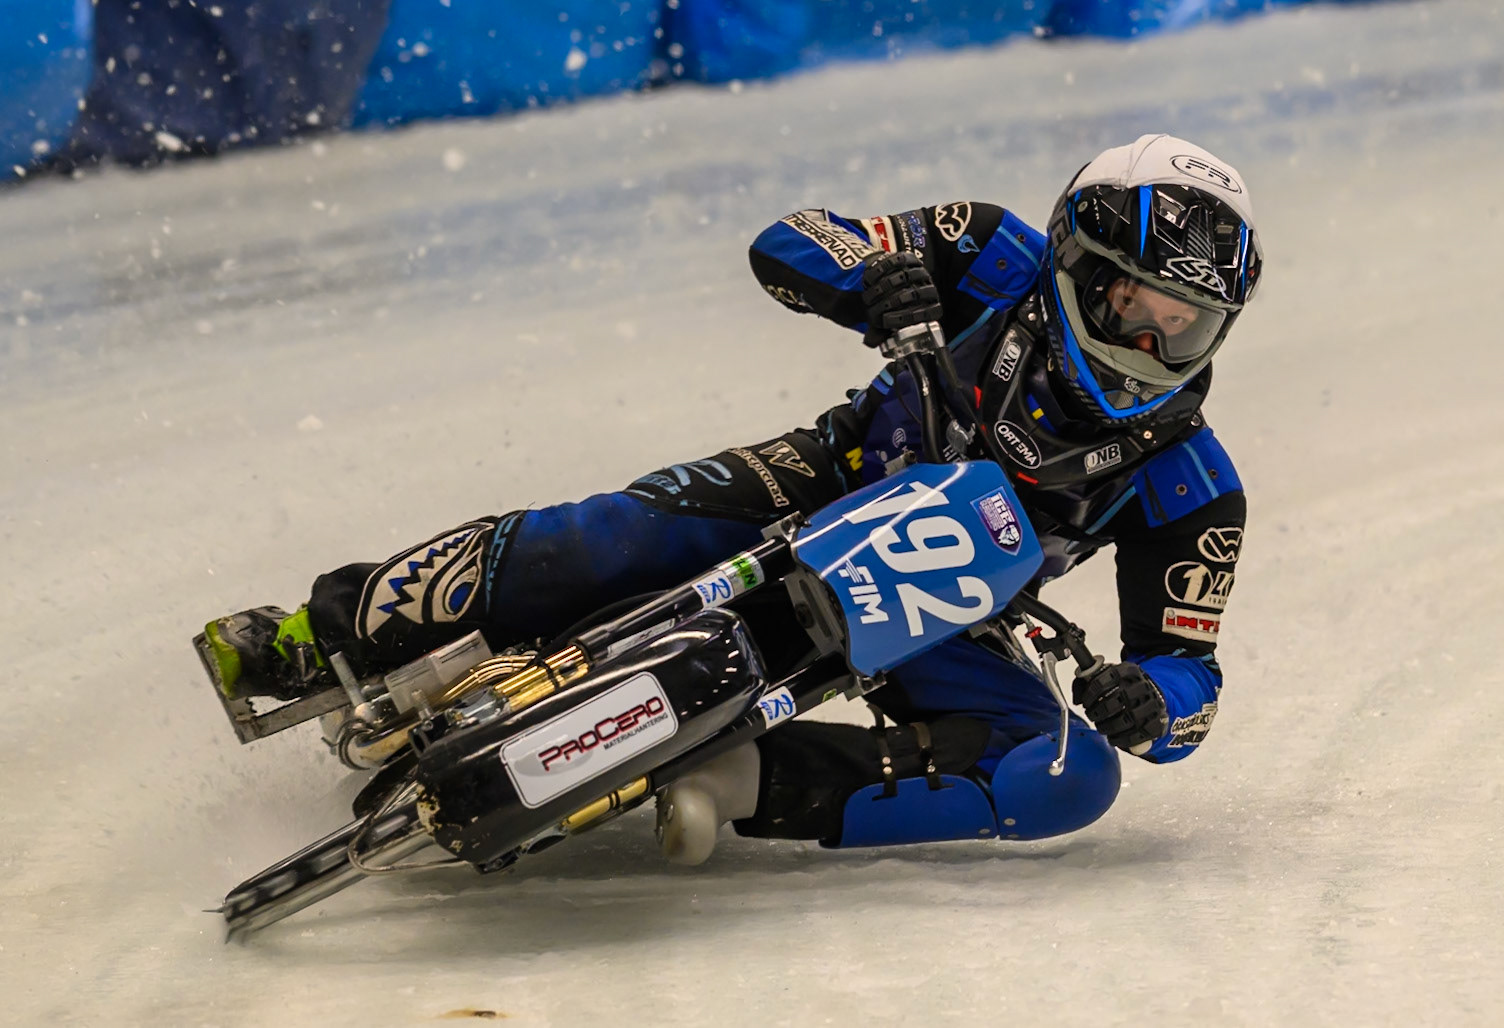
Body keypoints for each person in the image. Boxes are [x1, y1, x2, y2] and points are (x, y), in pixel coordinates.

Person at [202, 134, 1261, 863]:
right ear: (1075, 260)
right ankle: (319, 632)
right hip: (830, 473)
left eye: (1186, 325)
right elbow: (794, 237)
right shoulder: (990, 250)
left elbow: (1190, 679)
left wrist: (1151, 702)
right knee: (607, 538)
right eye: (1136, 303)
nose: (1150, 343)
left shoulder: (1194, 483)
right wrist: (869, 278)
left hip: (953, 605)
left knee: (1069, 777)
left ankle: (733, 781)